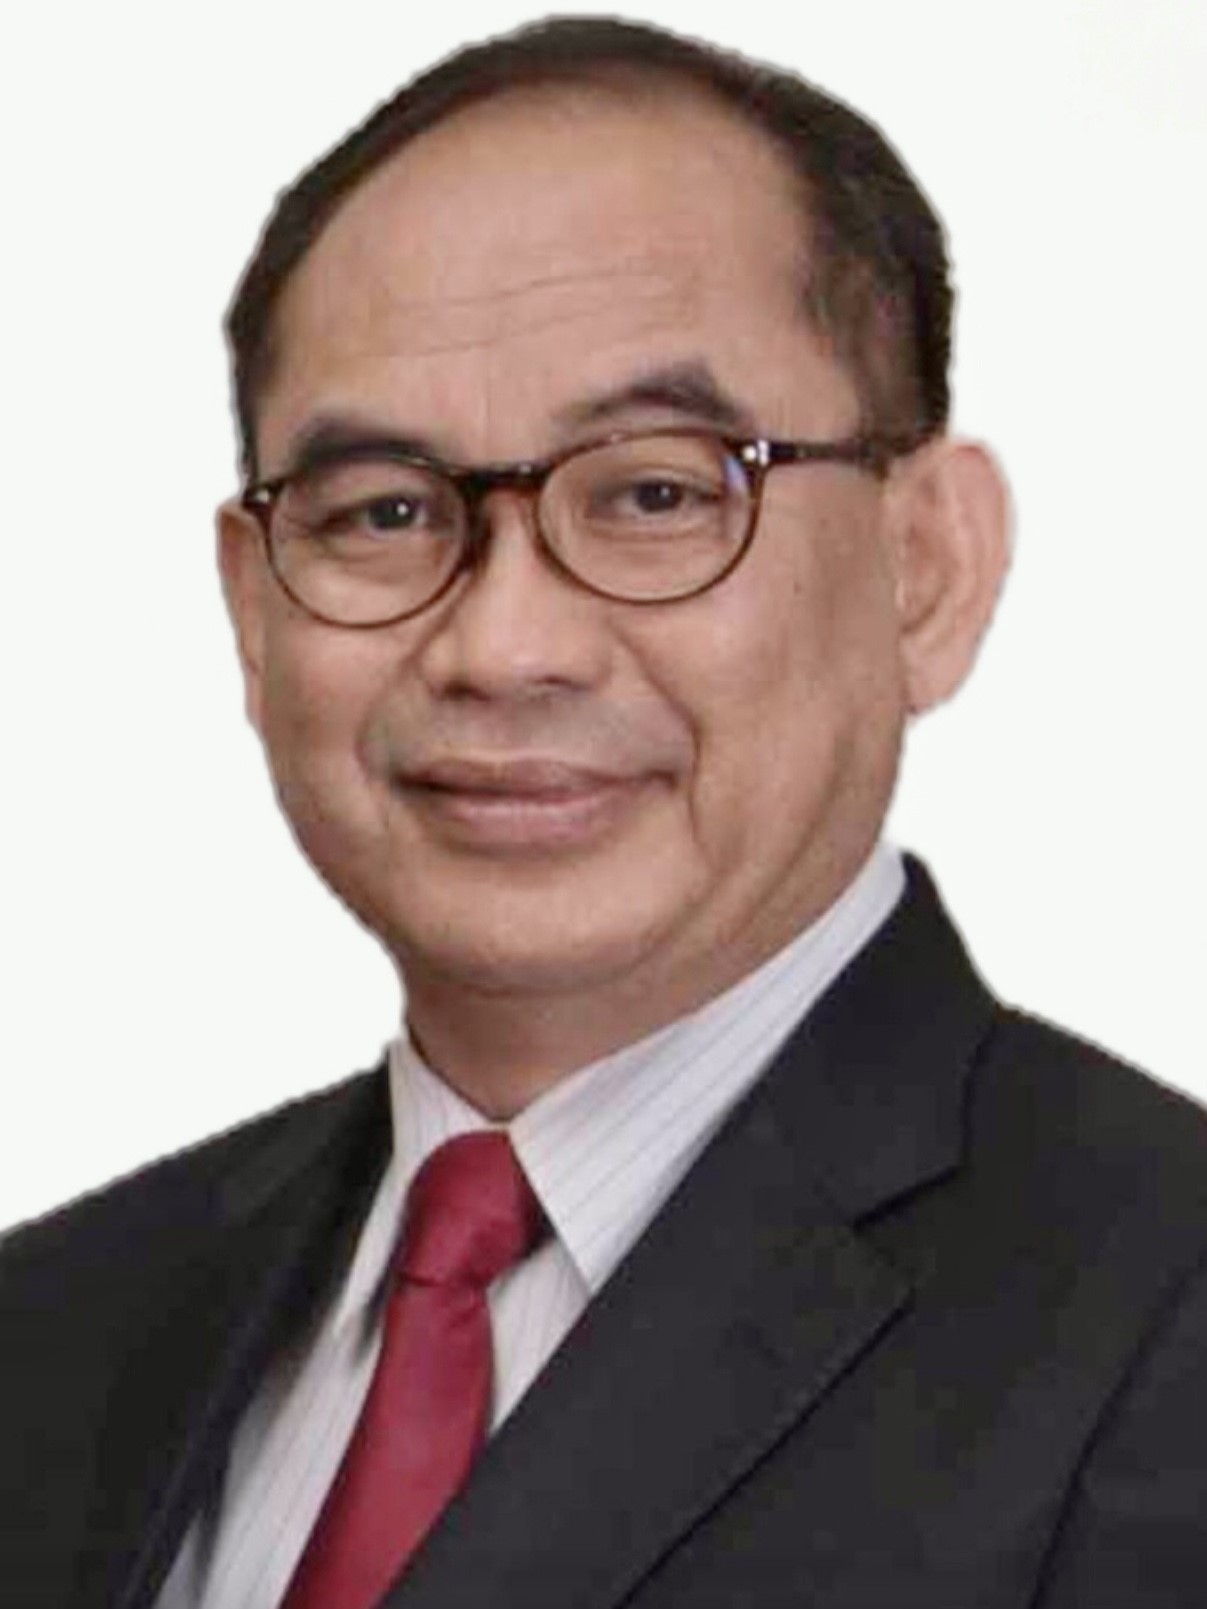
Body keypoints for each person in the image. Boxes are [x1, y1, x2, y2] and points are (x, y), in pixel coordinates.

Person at [3, 14, 1205, 1608]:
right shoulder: (52, 1329)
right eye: (383, 511)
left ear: (927, 567)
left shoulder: (1167, 1327)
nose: (503, 646)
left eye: (655, 492)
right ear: (252, 606)